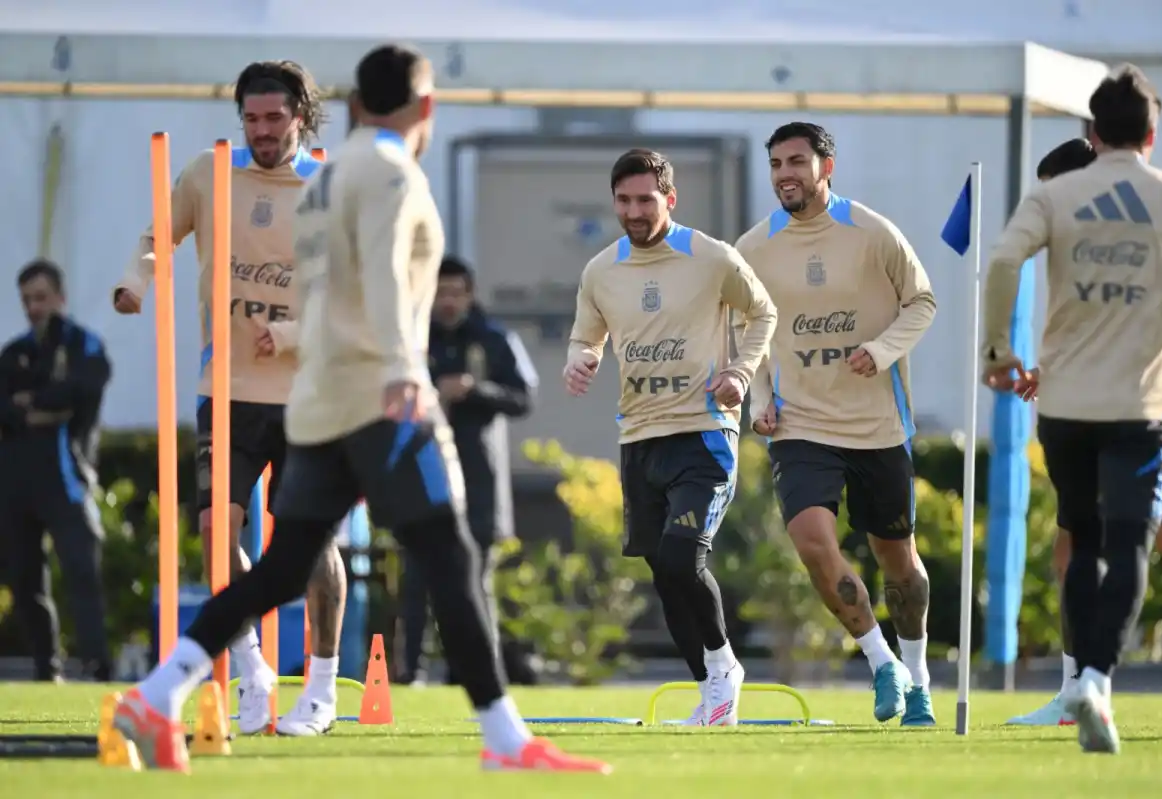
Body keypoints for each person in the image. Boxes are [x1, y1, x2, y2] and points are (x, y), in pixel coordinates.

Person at [112, 42, 611, 775]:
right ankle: (507, 742)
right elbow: (381, 278)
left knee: (283, 568)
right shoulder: (390, 172)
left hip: (316, 400)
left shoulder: (328, 176)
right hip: (378, 398)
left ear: (349, 107)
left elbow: (321, 293)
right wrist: (406, 371)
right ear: (426, 106)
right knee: (450, 555)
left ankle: (156, 695)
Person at [112, 61, 348, 736]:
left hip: (308, 394)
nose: (262, 131)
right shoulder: (209, 173)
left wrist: (290, 332)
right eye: (251, 118)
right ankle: (252, 667)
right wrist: (136, 282)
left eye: (275, 118)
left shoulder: (328, 188)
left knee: (309, 542)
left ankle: (322, 689)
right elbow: (157, 236)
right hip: (227, 388)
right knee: (219, 530)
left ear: (300, 116)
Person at [981, 64, 1162, 754]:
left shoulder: (1058, 199)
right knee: (1119, 547)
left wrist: (996, 351)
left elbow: (1002, 263)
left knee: (1103, 544)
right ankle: (1089, 680)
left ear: (1094, 133)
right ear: (1152, 135)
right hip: (1136, 409)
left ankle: (1084, 684)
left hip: (1081, 411)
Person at [564, 148, 777, 726]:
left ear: (670, 199)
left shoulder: (712, 257)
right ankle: (711, 692)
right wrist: (580, 359)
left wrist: (741, 372)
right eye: (624, 201)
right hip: (639, 436)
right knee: (663, 572)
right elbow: (586, 336)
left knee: (684, 557)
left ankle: (725, 667)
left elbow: (763, 314)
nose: (634, 211)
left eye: (645, 200)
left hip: (703, 433)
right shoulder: (600, 270)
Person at [736, 122, 938, 727]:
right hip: (800, 426)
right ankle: (881, 662)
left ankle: (919, 679)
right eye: (776, 164)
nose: (784, 175)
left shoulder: (873, 232)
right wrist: (759, 398)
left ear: (827, 166)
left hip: (878, 426)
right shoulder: (753, 249)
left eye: (796, 162)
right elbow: (749, 332)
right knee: (812, 542)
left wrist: (881, 350)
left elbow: (922, 302)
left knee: (898, 562)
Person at [403, 255, 538, 686]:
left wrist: (475, 390)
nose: (448, 301)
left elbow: (523, 397)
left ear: (470, 295)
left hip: (480, 479)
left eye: (456, 293)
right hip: (422, 473)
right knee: (416, 576)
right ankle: (410, 672)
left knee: (475, 580)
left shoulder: (493, 339)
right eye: (440, 292)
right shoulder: (411, 338)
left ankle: (477, 672)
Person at [0, 259, 113, 683]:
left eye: (41, 298)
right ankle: (46, 668)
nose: (34, 307)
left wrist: (34, 402)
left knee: (82, 571)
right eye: (27, 300)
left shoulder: (83, 344)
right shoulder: (14, 352)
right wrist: (42, 405)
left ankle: (98, 665)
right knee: (25, 578)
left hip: (67, 476)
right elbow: (5, 408)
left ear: (60, 298)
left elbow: (84, 388)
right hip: (16, 479)